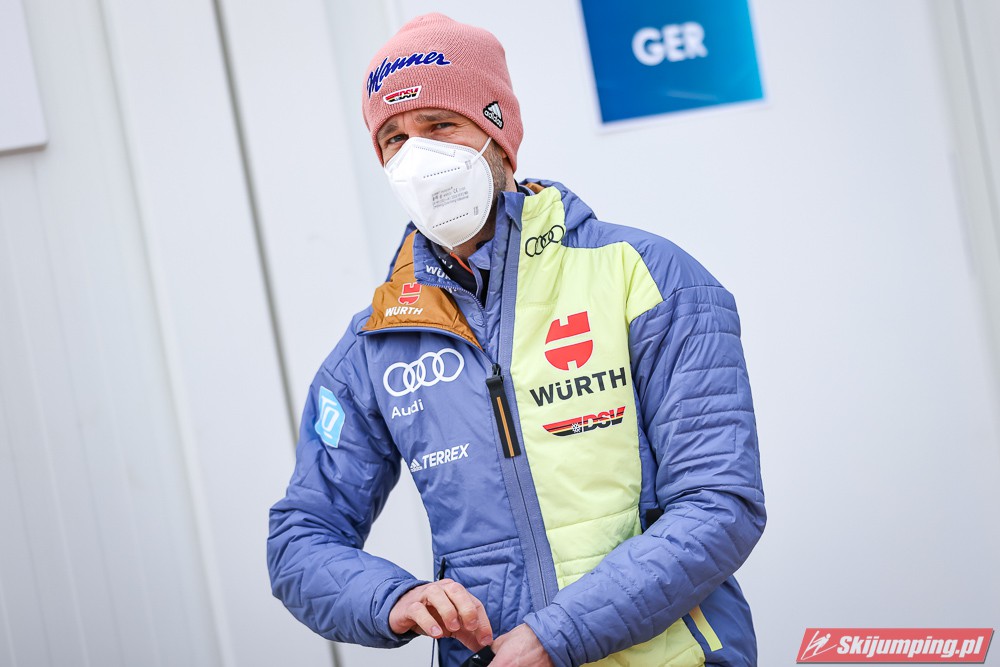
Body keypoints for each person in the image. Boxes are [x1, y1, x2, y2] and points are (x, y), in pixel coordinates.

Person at [268, 13, 765, 667]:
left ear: (499, 137)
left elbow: (720, 503)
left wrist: (559, 635)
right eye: (394, 138)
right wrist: (397, 598)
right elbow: (301, 539)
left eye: (440, 125)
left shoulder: (645, 276)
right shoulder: (376, 345)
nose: (417, 157)